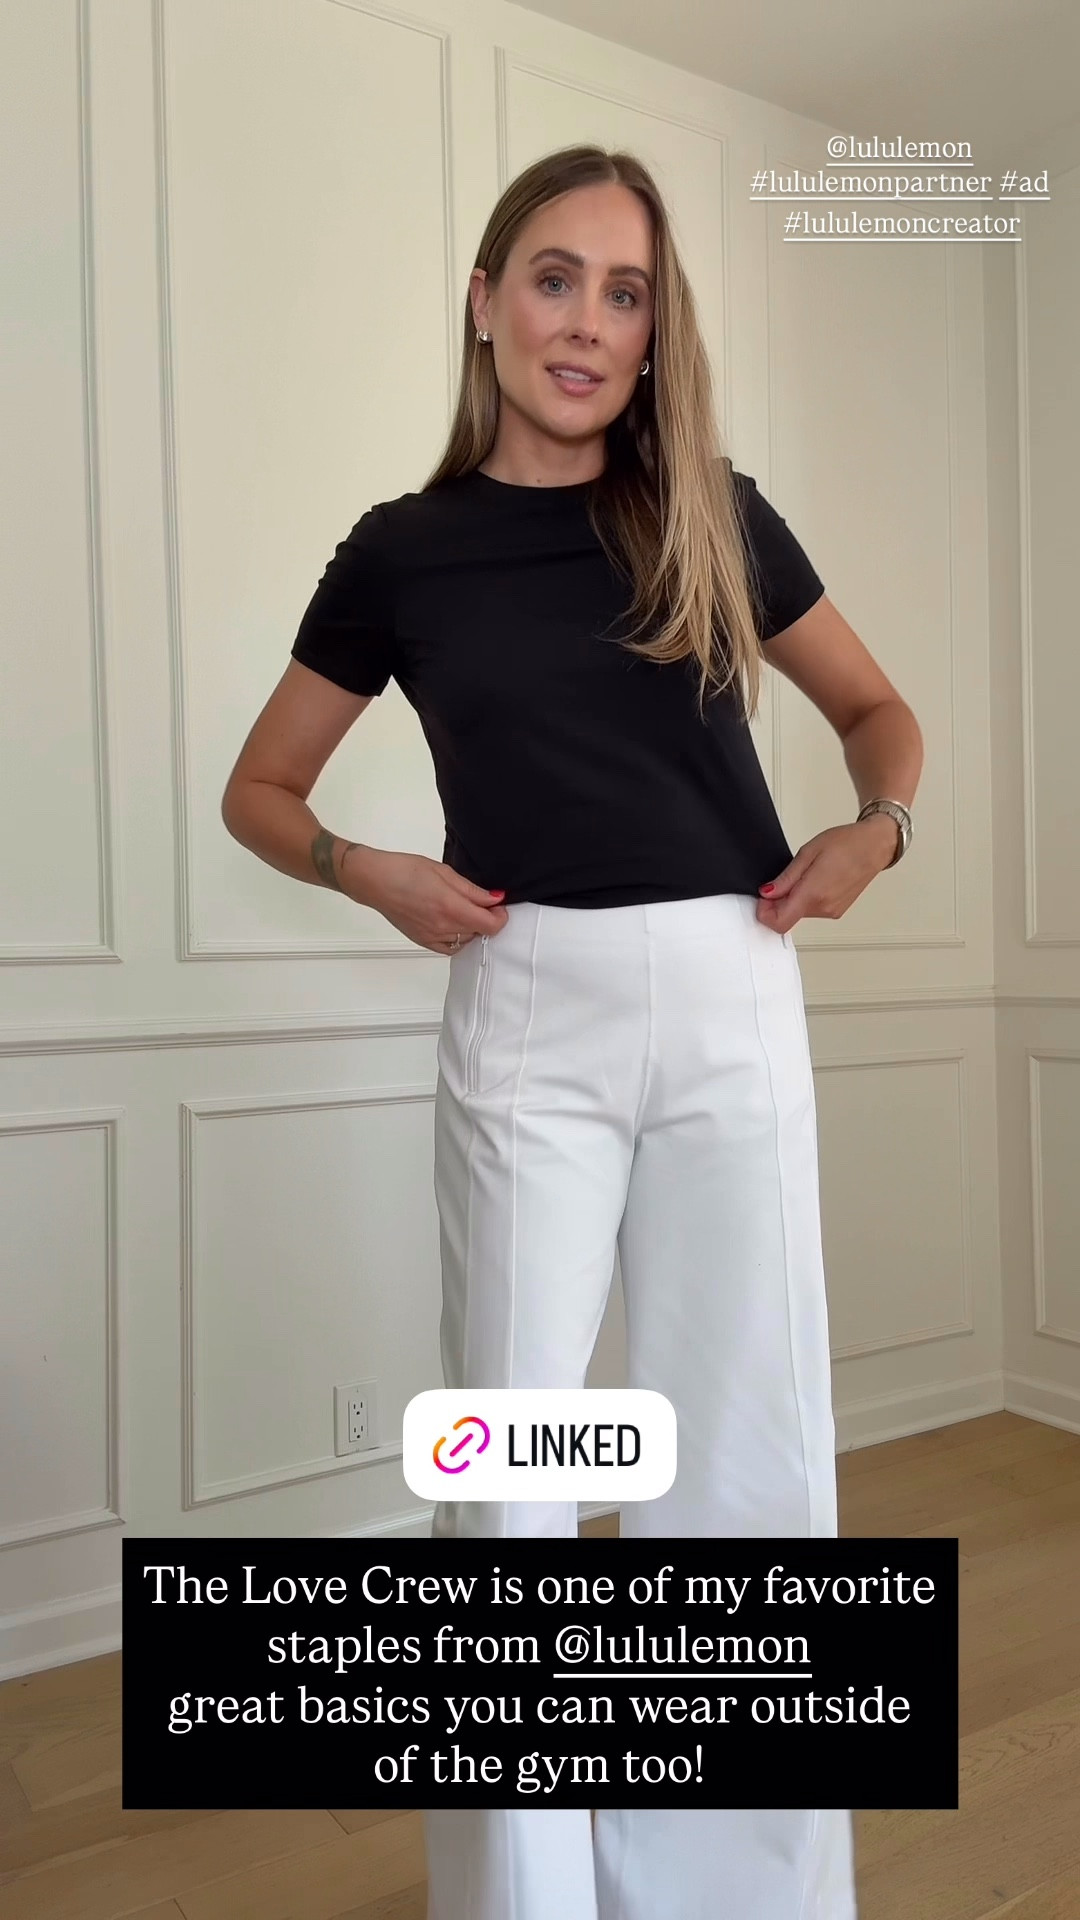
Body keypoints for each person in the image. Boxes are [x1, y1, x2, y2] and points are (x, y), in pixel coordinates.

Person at [222, 143, 922, 1920]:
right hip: (527, 999)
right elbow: (260, 791)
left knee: (746, 1452)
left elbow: (878, 713)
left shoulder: (713, 515)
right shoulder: (403, 553)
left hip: (730, 985)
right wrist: (368, 870)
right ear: (485, 301)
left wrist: (879, 829)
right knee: (512, 1471)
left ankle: (742, 1892)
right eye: (555, 278)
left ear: (653, 330)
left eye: (627, 293)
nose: (589, 323)